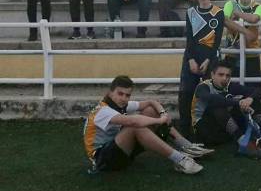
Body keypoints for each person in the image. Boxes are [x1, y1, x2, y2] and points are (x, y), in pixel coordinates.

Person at [83, 75, 211, 175]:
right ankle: (180, 160)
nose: (123, 98)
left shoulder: (120, 104)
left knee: (150, 110)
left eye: (127, 95)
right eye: (120, 94)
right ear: (110, 93)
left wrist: (163, 113)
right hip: (102, 160)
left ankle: (185, 146)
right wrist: (160, 121)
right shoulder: (102, 111)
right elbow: (133, 122)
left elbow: (151, 102)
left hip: (119, 151)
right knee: (134, 126)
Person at [178, 0, 254, 139]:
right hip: (191, 58)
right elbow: (189, 39)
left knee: (211, 96)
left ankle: (210, 130)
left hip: (210, 59)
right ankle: (184, 131)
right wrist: (191, 59)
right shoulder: (190, 12)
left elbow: (217, 40)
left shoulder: (218, 12)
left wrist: (208, 60)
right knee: (186, 93)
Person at [191, 60, 261, 158]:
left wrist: (249, 99)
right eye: (220, 75)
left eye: (227, 75)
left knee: (253, 100)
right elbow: (213, 99)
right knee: (218, 107)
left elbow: (259, 91)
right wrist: (239, 102)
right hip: (206, 132)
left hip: (225, 131)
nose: (224, 78)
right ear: (212, 75)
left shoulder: (230, 86)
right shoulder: (203, 87)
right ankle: (244, 144)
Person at [223, 0, 261, 87]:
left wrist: (237, 14)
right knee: (230, 89)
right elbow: (224, 20)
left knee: (254, 90)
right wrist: (246, 33)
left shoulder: (259, 7)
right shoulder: (230, 4)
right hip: (231, 53)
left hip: (251, 54)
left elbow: (254, 19)